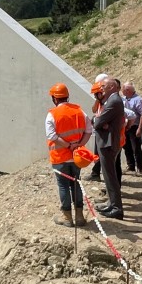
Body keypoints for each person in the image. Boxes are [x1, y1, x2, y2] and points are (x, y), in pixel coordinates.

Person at [46, 82, 93, 227]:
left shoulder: (52, 114)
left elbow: (51, 136)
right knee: (76, 183)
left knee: (63, 186)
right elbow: (89, 130)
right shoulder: (79, 111)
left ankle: (67, 218)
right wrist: (78, 145)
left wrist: (68, 146)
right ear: (67, 96)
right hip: (77, 157)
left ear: (55, 98)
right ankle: (79, 217)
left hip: (60, 157)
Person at [92, 76, 126, 219]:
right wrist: (100, 122)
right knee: (108, 176)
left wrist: (98, 121)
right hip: (107, 142)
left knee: (110, 176)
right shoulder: (112, 100)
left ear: (112, 87)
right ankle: (112, 204)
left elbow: (97, 121)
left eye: (104, 86)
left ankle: (116, 208)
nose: (101, 89)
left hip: (108, 143)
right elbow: (100, 121)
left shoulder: (114, 101)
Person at [121, 81, 142, 175]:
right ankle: (131, 166)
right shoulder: (124, 99)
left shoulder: (138, 100)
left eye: (123, 89)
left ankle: (140, 168)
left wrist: (140, 128)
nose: (122, 91)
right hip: (125, 126)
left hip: (134, 126)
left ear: (128, 90)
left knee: (136, 148)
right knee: (126, 147)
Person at [88, 73, 109, 181]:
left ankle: (99, 174)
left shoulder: (108, 101)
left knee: (104, 155)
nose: (95, 96)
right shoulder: (100, 101)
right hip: (99, 131)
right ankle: (95, 173)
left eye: (96, 94)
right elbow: (94, 109)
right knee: (97, 153)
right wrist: (97, 99)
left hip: (105, 133)